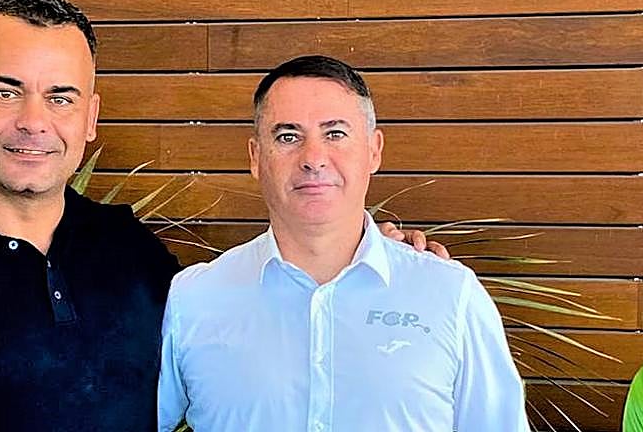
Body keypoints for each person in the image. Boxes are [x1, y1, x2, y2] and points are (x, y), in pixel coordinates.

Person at [0, 0, 443, 432]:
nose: (34, 122)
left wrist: (365, 257)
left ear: (89, 117)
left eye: (60, 97)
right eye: (5, 91)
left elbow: (250, 323)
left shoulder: (135, 257)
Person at [157, 55, 529, 432]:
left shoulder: (451, 295)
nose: (314, 159)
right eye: (288, 137)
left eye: (335, 133)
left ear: (373, 150)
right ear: (255, 157)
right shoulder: (195, 299)